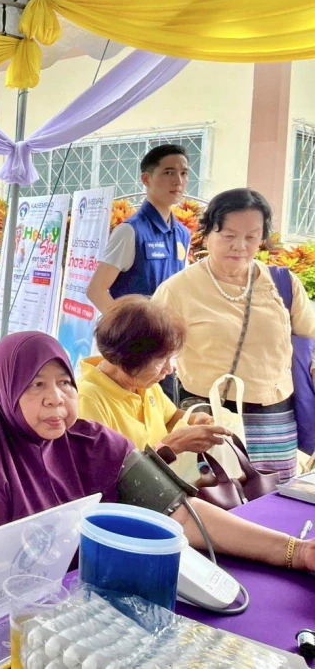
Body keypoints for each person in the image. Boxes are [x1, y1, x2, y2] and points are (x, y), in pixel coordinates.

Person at [0, 332, 315, 624]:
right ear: (3, 393)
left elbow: (180, 516)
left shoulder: (95, 445)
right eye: (36, 385)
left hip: (78, 604)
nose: (56, 398)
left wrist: (295, 552)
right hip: (5, 620)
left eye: (64, 383)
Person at [154, 188, 315, 482]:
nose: (239, 246)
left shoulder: (282, 283)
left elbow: (310, 332)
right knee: (217, 503)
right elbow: (150, 353)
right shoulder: (177, 290)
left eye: (251, 237)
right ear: (208, 233)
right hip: (209, 419)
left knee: (275, 506)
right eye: (228, 236)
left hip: (275, 422)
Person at [78, 296, 230, 460]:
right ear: (126, 357)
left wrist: (194, 420)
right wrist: (170, 447)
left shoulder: (144, 384)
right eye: (160, 360)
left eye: (170, 359)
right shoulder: (87, 399)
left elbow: (169, 418)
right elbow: (105, 475)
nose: (169, 369)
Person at [87, 144, 192, 315]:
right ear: (146, 180)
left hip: (167, 334)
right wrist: (128, 330)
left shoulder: (183, 234)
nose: (178, 181)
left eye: (184, 173)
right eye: (169, 172)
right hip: (135, 338)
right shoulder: (130, 231)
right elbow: (96, 291)